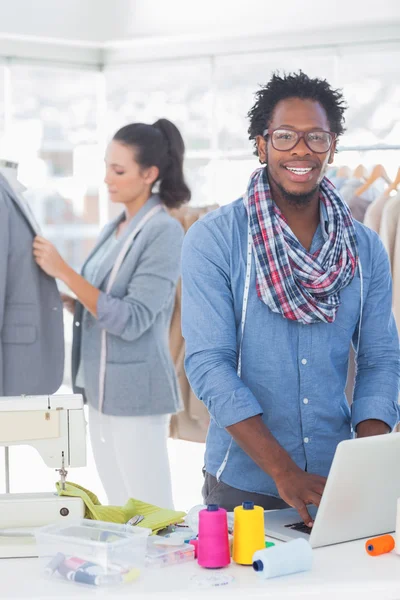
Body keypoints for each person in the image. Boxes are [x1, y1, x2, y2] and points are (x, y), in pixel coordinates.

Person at [181, 72, 400, 525]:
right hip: (243, 483)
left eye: (315, 137)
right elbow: (208, 363)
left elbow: (380, 358)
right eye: (285, 137)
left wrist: (368, 459)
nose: (301, 150)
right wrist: (283, 471)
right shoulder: (215, 239)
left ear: (332, 147)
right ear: (262, 146)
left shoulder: (365, 247)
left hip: (335, 476)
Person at [33, 118, 190, 508]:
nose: (107, 179)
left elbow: (132, 318)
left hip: (136, 395)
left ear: (149, 174)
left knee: (149, 512)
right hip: (101, 393)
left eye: (118, 170)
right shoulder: (115, 227)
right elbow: (100, 301)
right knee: (120, 510)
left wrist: (63, 270)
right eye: (106, 166)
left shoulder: (164, 231)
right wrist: (65, 299)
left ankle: (163, 569)